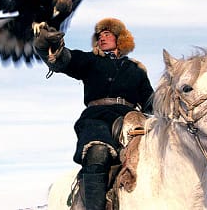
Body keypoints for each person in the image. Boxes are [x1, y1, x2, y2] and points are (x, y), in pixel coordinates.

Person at [34, 17, 154, 210]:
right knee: (97, 152)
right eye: (99, 35)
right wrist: (48, 48)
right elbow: (66, 60)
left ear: (120, 38)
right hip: (96, 118)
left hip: (130, 120)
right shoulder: (90, 60)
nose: (102, 38)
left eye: (107, 34)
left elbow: (151, 103)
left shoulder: (136, 69)